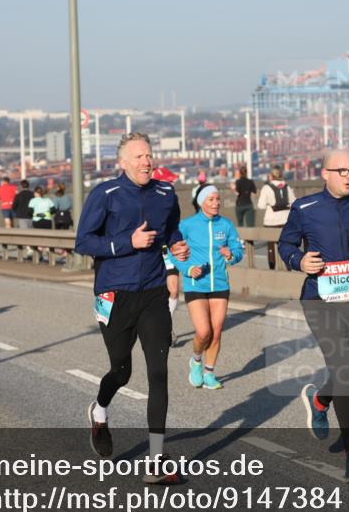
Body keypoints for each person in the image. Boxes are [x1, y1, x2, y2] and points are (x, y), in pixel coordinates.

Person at [76, 132, 190, 483]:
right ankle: (100, 411)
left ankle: (156, 460)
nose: (146, 161)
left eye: (149, 155)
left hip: (153, 292)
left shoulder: (165, 193)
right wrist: (129, 241)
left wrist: (177, 246)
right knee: (121, 371)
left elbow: (171, 230)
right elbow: (84, 242)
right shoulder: (105, 194)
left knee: (158, 372)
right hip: (115, 293)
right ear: (122, 162)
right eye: (138, 156)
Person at [279, 149, 349, 483]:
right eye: (342, 170)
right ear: (325, 173)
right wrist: (299, 261)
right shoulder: (305, 208)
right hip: (318, 299)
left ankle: (319, 399)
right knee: (344, 368)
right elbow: (285, 245)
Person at [169, 185, 244, 390]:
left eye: (218, 199)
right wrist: (187, 268)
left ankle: (209, 373)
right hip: (196, 284)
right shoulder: (187, 225)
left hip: (219, 283)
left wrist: (231, 255)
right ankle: (196, 361)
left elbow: (238, 250)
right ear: (201, 202)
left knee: (216, 331)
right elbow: (172, 253)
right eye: (211, 199)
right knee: (203, 332)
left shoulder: (226, 225)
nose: (216, 203)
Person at [152, 167, 182, 345]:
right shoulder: (146, 199)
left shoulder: (172, 198)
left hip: (167, 248)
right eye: (168, 181)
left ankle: (166, 326)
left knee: (174, 289)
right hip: (151, 250)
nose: (172, 184)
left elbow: (174, 225)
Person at [258, 166, 296, 270]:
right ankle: (288, 267)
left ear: (271, 175)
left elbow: (261, 205)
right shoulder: (287, 187)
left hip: (270, 221)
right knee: (286, 245)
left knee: (271, 246)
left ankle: (272, 268)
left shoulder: (266, 188)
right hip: (285, 220)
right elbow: (294, 202)